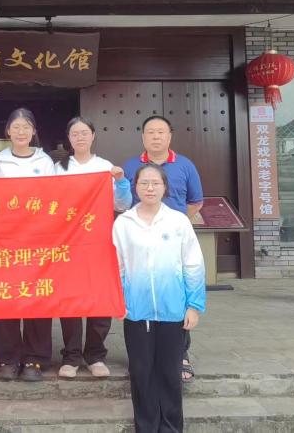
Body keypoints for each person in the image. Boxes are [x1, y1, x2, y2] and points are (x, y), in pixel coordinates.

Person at [113, 163, 205, 433]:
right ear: (136, 187)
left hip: (172, 311)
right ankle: (146, 427)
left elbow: (193, 265)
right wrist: (118, 301)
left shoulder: (178, 221)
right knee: (141, 374)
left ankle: (171, 428)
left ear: (165, 187)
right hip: (136, 312)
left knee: (169, 374)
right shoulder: (124, 223)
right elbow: (116, 267)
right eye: (144, 183)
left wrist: (194, 306)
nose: (150, 188)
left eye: (156, 183)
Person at [122, 115, 203, 383]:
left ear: (169, 136)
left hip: (173, 240)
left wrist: (175, 225)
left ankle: (180, 354)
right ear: (143, 137)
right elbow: (122, 201)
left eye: (161, 132)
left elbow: (195, 202)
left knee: (176, 295)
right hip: (140, 242)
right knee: (143, 296)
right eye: (150, 132)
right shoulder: (131, 166)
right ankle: (142, 358)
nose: (155, 136)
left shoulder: (185, 165)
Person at [54, 116, 131, 379]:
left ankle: (95, 355)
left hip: (99, 241)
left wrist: (121, 182)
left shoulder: (105, 167)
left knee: (99, 296)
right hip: (68, 243)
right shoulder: (59, 169)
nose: (80, 137)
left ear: (93, 135)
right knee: (71, 299)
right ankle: (71, 356)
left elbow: (121, 205)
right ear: (69, 138)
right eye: (75, 133)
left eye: (84, 132)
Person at [0, 107, 56, 382]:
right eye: (16, 127)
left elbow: (54, 198)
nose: (20, 132)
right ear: (8, 131)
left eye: (26, 127)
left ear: (33, 131)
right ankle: (8, 357)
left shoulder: (45, 161)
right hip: (6, 238)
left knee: (38, 297)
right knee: (8, 297)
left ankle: (36, 358)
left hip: (37, 238)